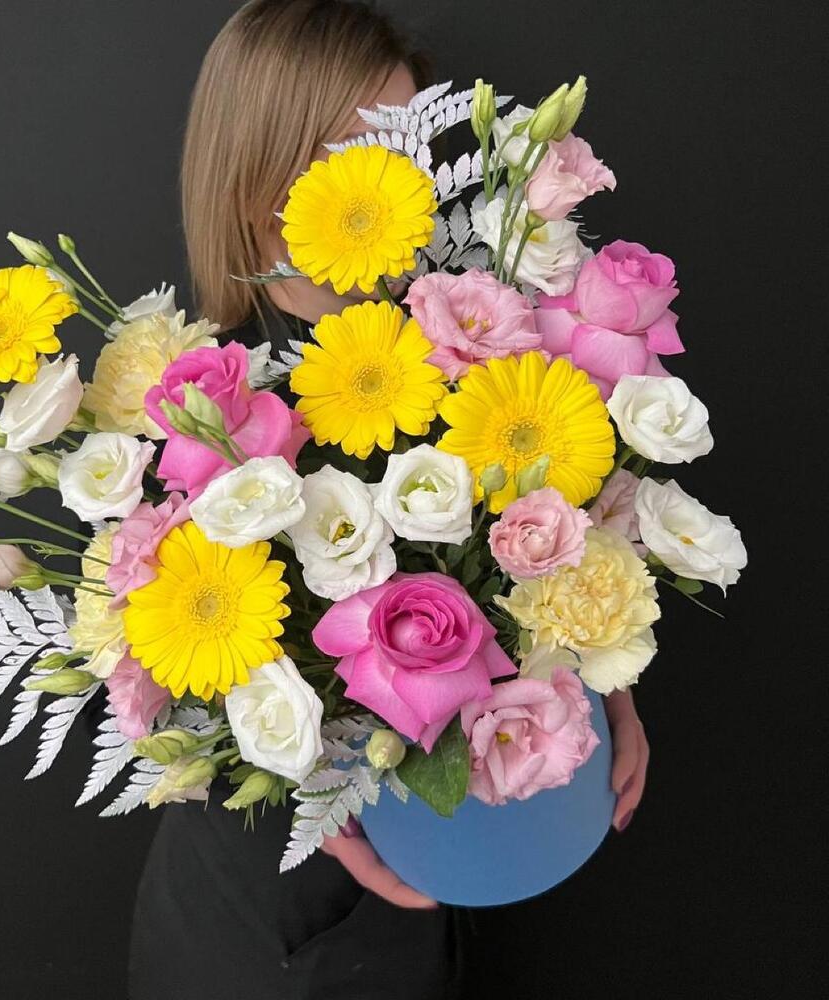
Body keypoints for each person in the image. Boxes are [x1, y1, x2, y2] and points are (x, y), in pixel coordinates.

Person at [129, 2, 650, 997]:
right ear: (263, 184)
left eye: (412, 148)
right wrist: (323, 811)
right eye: (364, 152)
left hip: (425, 895)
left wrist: (611, 675)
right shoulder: (200, 415)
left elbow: (558, 557)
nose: (401, 182)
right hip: (267, 930)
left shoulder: (467, 346)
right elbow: (174, 697)